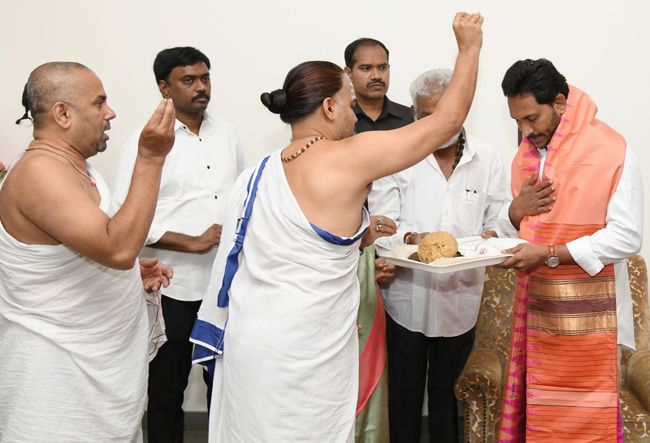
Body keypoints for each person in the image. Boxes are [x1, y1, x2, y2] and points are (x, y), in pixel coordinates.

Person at [191, 12, 484, 441]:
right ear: (328, 107)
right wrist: (469, 47)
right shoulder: (347, 158)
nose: (353, 114)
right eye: (348, 104)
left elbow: (301, 244)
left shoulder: (258, 174)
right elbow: (446, 123)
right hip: (306, 349)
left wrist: (360, 235)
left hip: (252, 342)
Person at [0, 62, 175, 441]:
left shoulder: (77, 169)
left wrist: (127, 276)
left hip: (97, 379)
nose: (110, 113)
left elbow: (91, 248)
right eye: (99, 103)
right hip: (55, 381)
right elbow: (118, 247)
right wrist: (151, 157)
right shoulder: (39, 171)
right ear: (63, 114)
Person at [496, 58, 644, 442]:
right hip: (536, 313)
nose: (525, 131)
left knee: (584, 423)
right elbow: (509, 228)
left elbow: (627, 237)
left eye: (531, 118)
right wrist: (515, 211)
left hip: (592, 318)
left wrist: (549, 253)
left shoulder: (611, 149)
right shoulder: (526, 157)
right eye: (517, 122)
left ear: (560, 102)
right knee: (540, 419)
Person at [369, 68, 508, 443]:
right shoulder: (395, 154)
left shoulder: (487, 158)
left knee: (448, 395)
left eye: (447, 112)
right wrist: (411, 237)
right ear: (414, 113)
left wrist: (493, 235)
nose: (439, 123)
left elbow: (499, 217)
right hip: (405, 298)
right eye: (428, 115)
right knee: (405, 393)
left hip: (461, 299)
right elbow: (381, 225)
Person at [112, 46, 244, 442]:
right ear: (164, 88)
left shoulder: (227, 134)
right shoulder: (147, 141)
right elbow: (123, 215)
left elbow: (240, 198)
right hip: (172, 286)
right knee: (167, 389)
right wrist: (192, 242)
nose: (201, 87)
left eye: (205, 78)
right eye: (189, 80)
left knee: (227, 384)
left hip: (224, 285)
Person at [343, 36, 411, 442]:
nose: (376, 75)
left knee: (398, 369)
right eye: (366, 68)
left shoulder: (409, 121)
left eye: (382, 67)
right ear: (349, 73)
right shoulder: (338, 121)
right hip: (347, 259)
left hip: (399, 259)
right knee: (349, 363)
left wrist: (395, 253)